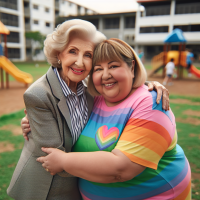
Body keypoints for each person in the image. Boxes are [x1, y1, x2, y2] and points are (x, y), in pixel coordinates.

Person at [8, 19, 169, 200]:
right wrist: (99, 174)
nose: (80, 62)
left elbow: (117, 85)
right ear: (59, 54)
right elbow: (53, 158)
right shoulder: (38, 95)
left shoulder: (90, 91)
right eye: (73, 52)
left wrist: (145, 86)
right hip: (48, 188)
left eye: (88, 55)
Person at [36, 38, 191, 200]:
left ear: (132, 67)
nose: (105, 75)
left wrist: (63, 161)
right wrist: (35, 120)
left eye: (113, 66)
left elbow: (122, 169)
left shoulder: (153, 102)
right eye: (98, 69)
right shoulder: (94, 100)